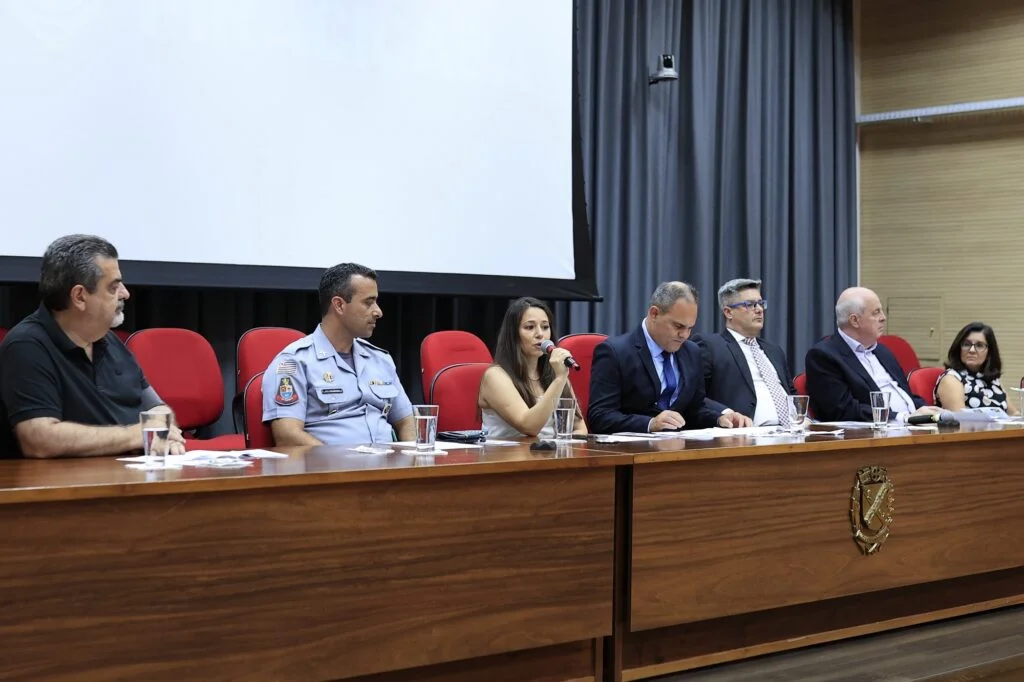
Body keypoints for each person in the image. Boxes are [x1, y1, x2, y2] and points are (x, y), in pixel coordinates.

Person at [0, 234, 184, 458]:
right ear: (80, 296)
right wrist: (136, 435)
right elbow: (39, 438)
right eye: (113, 287)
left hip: (128, 476)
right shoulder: (27, 346)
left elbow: (157, 408)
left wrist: (163, 433)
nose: (125, 293)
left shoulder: (110, 341)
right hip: (66, 486)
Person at [262, 262, 415, 445]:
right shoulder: (294, 362)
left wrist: (412, 459)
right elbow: (288, 436)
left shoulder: (380, 359)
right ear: (339, 305)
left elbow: (406, 421)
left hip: (389, 466)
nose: (378, 312)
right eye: (368, 302)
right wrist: (339, 465)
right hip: (331, 468)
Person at [588, 281, 752, 434]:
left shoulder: (692, 351)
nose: (684, 335)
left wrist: (719, 418)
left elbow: (694, 409)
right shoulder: (615, 352)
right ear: (654, 314)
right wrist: (650, 424)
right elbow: (600, 417)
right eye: (678, 326)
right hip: (632, 453)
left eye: (690, 328)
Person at [805, 287, 940, 423]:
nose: (883, 318)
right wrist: (902, 417)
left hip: (911, 426)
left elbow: (906, 396)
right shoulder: (823, 356)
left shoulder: (883, 351)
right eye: (876, 313)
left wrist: (928, 410)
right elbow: (843, 410)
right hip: (871, 435)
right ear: (854, 321)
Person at [477, 297, 588, 438]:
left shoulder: (555, 373)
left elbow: (579, 428)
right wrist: (560, 379)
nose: (540, 334)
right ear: (513, 335)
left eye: (545, 327)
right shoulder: (496, 376)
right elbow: (529, 426)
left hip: (550, 455)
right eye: (530, 327)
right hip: (507, 457)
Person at [694, 278, 796, 426]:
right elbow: (695, 396)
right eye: (750, 305)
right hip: (746, 434)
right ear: (728, 312)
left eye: (761, 303)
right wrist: (726, 413)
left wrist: (800, 415)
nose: (759, 309)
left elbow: (791, 392)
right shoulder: (710, 346)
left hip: (791, 431)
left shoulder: (774, 349)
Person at [935, 322, 1019, 415]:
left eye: (979, 345)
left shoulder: (993, 380)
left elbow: (1014, 414)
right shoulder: (951, 379)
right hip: (968, 429)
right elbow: (961, 420)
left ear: (989, 352)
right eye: (966, 344)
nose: (971, 350)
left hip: (1001, 429)